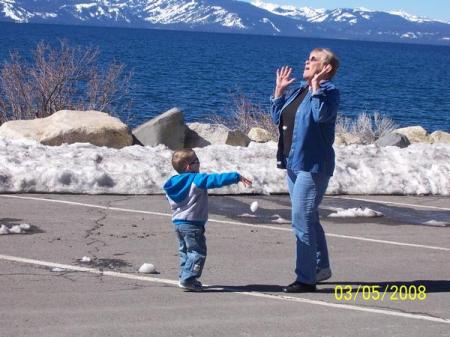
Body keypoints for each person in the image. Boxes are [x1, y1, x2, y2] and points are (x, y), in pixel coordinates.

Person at [269, 48, 340, 293]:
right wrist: (279, 92)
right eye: (308, 58)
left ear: (326, 68)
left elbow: (322, 116)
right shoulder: (300, 89)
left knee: (301, 220)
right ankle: (320, 268)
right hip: (293, 164)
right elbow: (279, 119)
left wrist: (318, 86)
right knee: (309, 218)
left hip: (313, 166)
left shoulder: (329, 92)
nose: (306, 62)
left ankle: (306, 279)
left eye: (312, 60)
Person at [163, 149, 252, 292]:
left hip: (178, 223)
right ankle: (188, 279)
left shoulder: (171, 184)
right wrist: (236, 177)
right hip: (193, 224)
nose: (199, 163)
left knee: (185, 251)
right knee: (197, 252)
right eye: (196, 161)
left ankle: (184, 275)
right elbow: (216, 180)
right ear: (188, 167)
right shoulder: (196, 179)